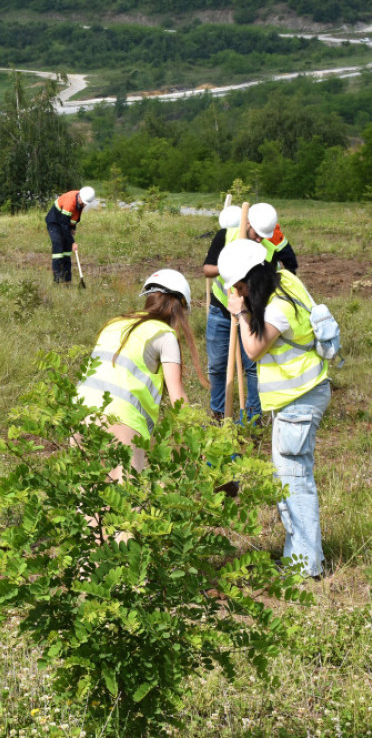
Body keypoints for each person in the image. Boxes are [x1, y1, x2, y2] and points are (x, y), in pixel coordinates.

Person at [219, 238, 329, 578]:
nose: (238, 291)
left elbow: (253, 349)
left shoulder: (279, 308)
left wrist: (239, 311)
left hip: (299, 400)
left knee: (293, 482)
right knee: (292, 479)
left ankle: (307, 566)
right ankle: (300, 557)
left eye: (240, 286)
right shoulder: (286, 280)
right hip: (301, 397)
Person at [76, 269, 207, 478]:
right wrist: (197, 442)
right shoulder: (164, 335)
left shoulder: (114, 323)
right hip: (121, 418)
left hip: (79, 413)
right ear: (180, 309)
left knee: (85, 498)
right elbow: (177, 398)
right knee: (126, 502)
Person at [202, 202, 299, 423]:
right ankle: (218, 412)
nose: (259, 240)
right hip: (222, 310)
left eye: (263, 236)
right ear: (247, 223)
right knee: (217, 364)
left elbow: (290, 269)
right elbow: (207, 269)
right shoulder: (226, 235)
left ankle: (252, 417)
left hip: (253, 311)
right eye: (256, 234)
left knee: (253, 365)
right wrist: (229, 266)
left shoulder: (271, 242)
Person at [44, 185, 95, 283]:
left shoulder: (81, 202)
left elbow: (73, 217)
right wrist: (73, 242)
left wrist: (73, 228)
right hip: (54, 222)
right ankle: (57, 280)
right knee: (58, 247)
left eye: (85, 203)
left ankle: (67, 281)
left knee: (67, 252)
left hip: (65, 224)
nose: (84, 205)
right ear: (80, 196)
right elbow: (63, 224)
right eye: (83, 202)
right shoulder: (69, 203)